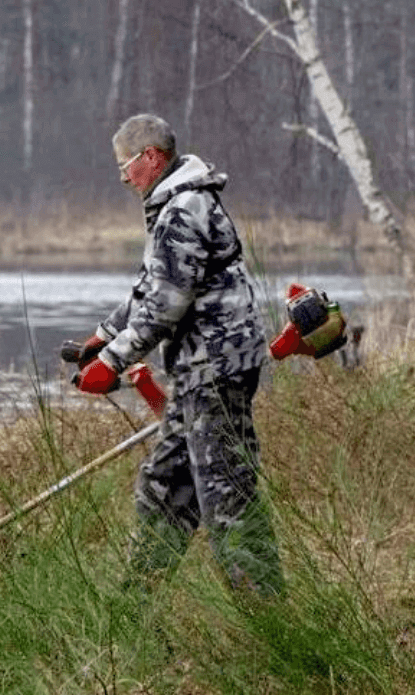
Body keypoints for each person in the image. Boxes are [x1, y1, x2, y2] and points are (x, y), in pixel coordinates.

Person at [71, 113, 284, 599]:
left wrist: (114, 363)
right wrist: (103, 337)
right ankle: (133, 612)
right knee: (164, 487)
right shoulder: (171, 205)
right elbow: (149, 287)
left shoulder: (185, 207)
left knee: (228, 497)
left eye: (126, 166)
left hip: (216, 370)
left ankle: (270, 617)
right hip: (196, 373)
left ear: (151, 157)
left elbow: (169, 300)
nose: (123, 177)